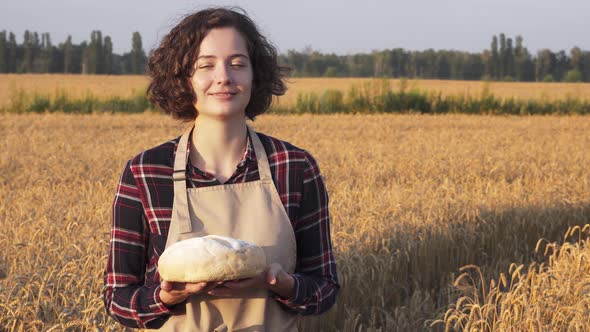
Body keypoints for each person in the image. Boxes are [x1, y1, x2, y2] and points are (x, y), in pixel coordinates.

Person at [103, 7, 339, 331]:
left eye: (238, 64)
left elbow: (324, 288)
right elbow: (118, 298)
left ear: (256, 76)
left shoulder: (295, 167)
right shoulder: (145, 172)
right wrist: (165, 299)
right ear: (183, 78)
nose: (224, 77)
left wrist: (281, 285)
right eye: (206, 65)